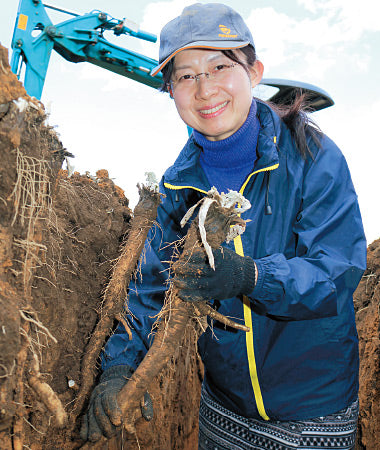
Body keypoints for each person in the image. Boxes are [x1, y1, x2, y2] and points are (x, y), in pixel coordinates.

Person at [80, 3, 367, 449]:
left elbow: (336, 273)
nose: (205, 88)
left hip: (315, 410)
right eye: (186, 76)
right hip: (223, 409)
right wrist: (119, 369)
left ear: (254, 73)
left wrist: (250, 276)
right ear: (170, 91)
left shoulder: (313, 157)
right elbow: (150, 287)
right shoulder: (179, 185)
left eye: (219, 66)